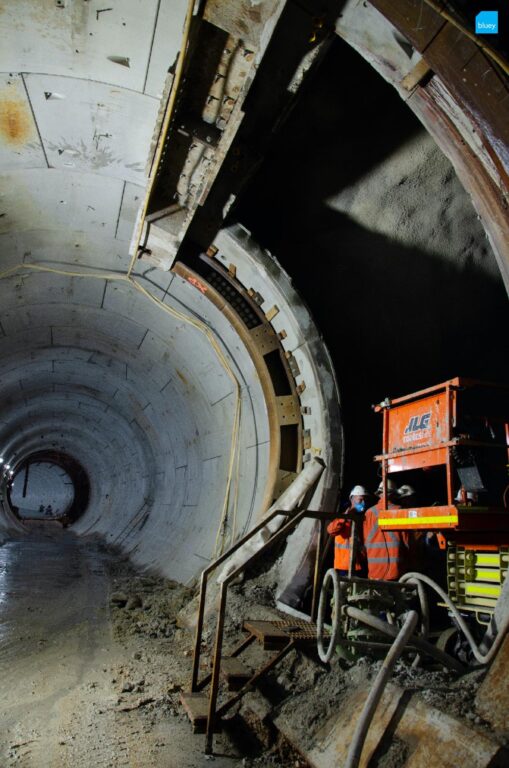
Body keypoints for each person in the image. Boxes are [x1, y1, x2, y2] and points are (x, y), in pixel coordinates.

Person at [363, 479, 411, 580]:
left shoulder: (369, 513)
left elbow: (365, 541)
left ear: (379, 493)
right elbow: (407, 542)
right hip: (395, 571)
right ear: (393, 494)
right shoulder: (400, 511)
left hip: (374, 571)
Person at [327, 485, 369, 577]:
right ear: (351, 499)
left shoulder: (364, 519)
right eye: (360, 500)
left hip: (360, 565)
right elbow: (331, 530)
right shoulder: (343, 517)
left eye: (365, 500)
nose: (364, 503)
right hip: (344, 567)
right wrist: (345, 518)